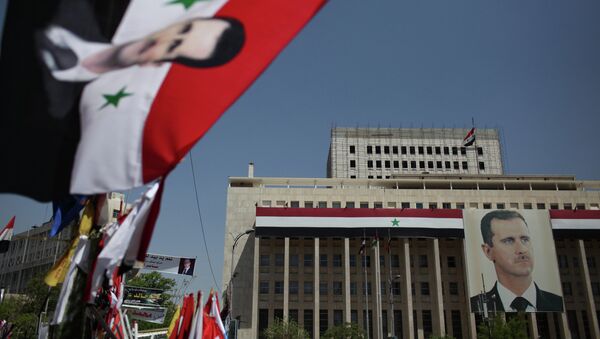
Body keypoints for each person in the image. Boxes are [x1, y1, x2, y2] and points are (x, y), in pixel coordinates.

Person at [38, 16, 245, 82]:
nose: (164, 39)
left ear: (159, 64)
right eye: (184, 28)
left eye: (173, 46)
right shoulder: (76, 15)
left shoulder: (72, 114)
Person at [470, 210, 563, 312]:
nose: (522, 249)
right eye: (508, 241)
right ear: (488, 251)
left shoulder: (557, 303)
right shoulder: (476, 305)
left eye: (525, 239)